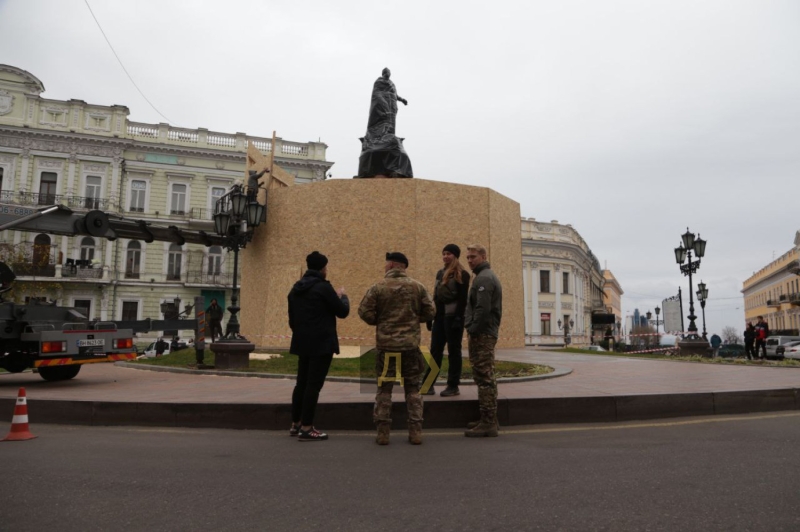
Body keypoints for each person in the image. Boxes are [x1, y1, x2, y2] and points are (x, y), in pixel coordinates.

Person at [358, 252, 435, 445]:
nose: (384, 267)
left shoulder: (378, 288)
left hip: (387, 347)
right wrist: (413, 320)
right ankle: (415, 432)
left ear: (392, 265)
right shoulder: (418, 287)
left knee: (385, 389)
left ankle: (383, 433)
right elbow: (431, 311)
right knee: (413, 389)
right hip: (410, 346)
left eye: (386, 264)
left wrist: (382, 321)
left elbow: (364, 312)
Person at [287, 251, 349, 442]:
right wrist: (343, 296)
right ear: (322, 268)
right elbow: (342, 312)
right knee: (313, 386)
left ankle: (295, 424)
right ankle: (307, 428)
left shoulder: (295, 289)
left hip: (301, 342)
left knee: (301, 384)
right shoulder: (323, 288)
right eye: (326, 268)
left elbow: (292, 321)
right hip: (321, 344)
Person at [464, 244, 503, 438]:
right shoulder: (482, 276)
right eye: (468, 257)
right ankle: (489, 418)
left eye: (473, 257)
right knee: (485, 376)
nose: (469, 260)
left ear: (483, 256)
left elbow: (482, 308)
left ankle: (488, 423)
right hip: (485, 331)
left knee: (484, 376)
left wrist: (471, 328)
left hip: (483, 333)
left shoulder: (484, 278)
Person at [423, 244, 470, 397]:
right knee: (435, 351)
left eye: (448, 253)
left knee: (454, 352)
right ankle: (428, 385)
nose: (445, 256)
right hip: (439, 317)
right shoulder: (440, 273)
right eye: (443, 253)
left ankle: (453, 385)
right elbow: (435, 296)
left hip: (453, 318)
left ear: (455, 255)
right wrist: (430, 316)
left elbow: (463, 300)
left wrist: (458, 318)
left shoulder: (462, 274)